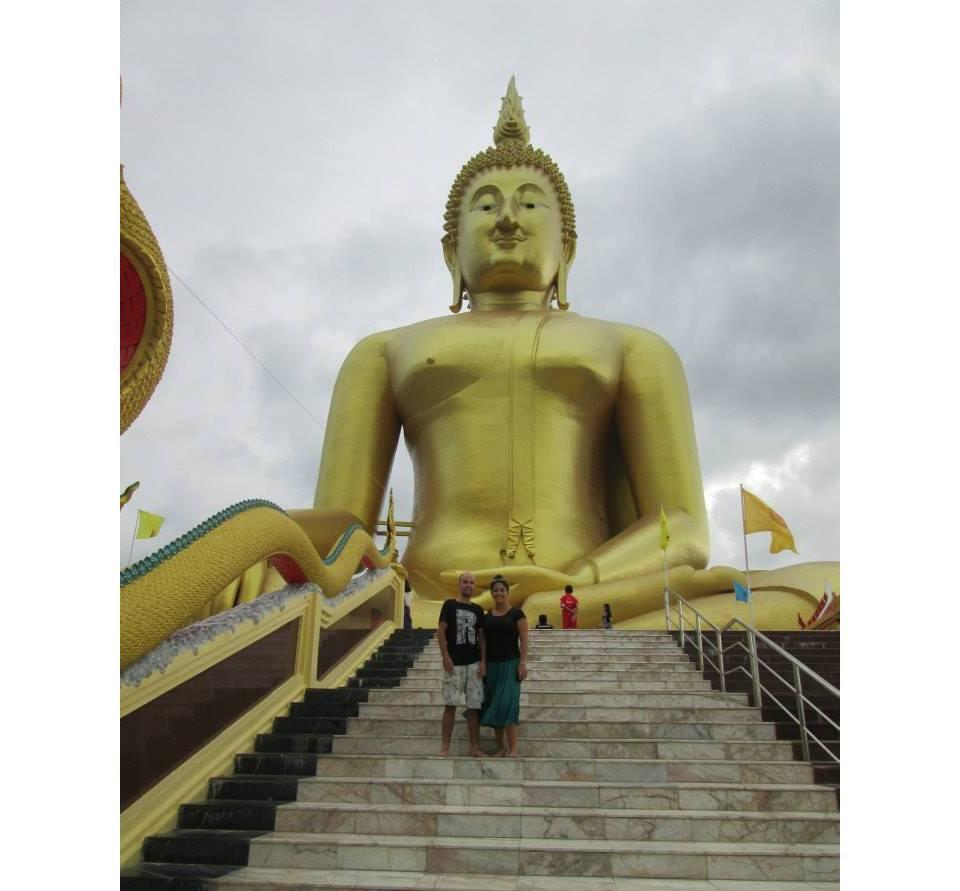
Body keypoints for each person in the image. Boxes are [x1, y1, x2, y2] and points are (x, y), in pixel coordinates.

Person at [287, 78, 839, 632]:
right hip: (428, 604)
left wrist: (579, 580)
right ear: (450, 250)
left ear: (566, 247)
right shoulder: (384, 351)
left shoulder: (632, 347)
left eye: (529, 202)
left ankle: (554, 611)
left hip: (600, 596)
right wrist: (264, 543)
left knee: (836, 582)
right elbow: (341, 532)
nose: (507, 218)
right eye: (485, 206)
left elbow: (685, 530)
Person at [437, 571, 486, 758]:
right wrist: (445, 656)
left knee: (474, 707)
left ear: (474, 586)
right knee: (450, 705)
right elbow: (441, 630)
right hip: (454, 663)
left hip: (473, 664)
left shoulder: (478, 610)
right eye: (465, 582)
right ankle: (445, 747)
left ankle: (474, 747)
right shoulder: (449, 605)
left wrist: (483, 661)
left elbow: (481, 637)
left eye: (472, 582)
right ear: (459, 584)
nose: (468, 585)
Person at [480, 575, 528, 758]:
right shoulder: (487, 617)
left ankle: (513, 748)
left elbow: (524, 639)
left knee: (508, 704)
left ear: (507, 592)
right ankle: (502, 747)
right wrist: (483, 662)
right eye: (495, 590)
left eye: (502, 590)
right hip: (492, 665)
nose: (499, 593)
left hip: (511, 664)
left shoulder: (517, 614)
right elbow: (483, 641)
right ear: (491, 593)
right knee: (494, 705)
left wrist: (522, 663)